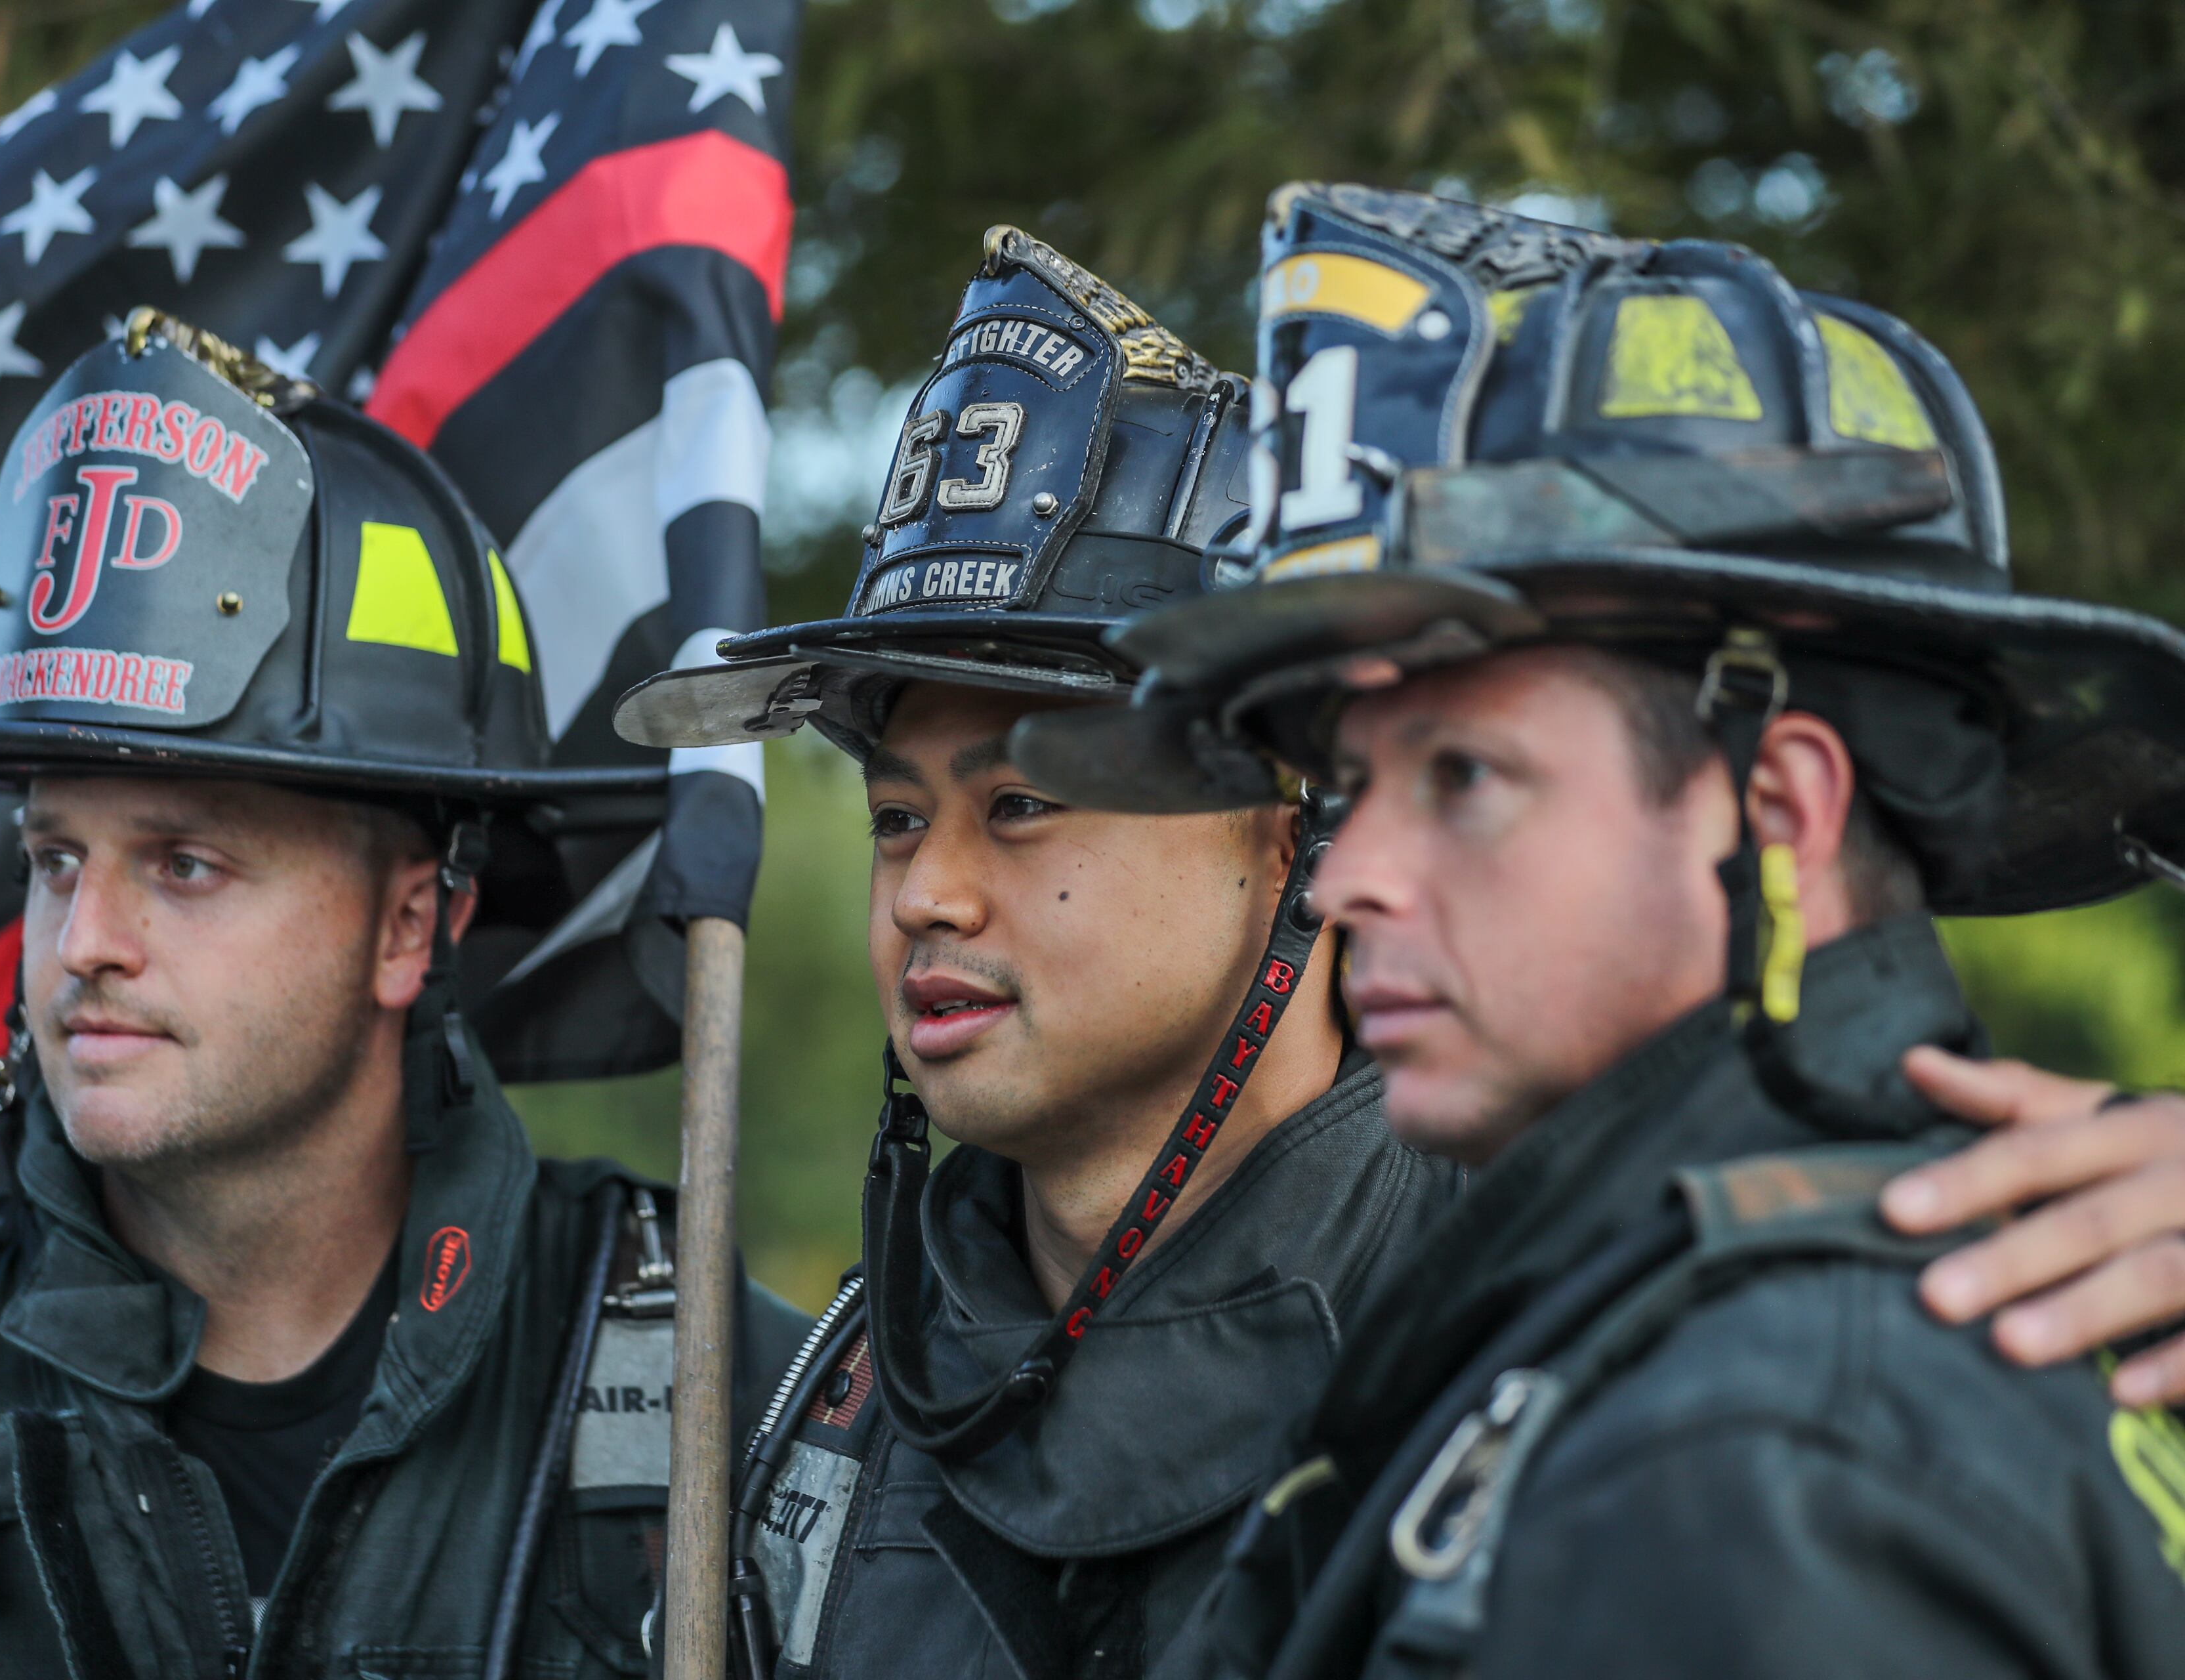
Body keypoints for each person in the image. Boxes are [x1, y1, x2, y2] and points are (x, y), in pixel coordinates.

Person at [621, 227, 2185, 1680]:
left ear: (1778, 808)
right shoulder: (1578, 1333)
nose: (1355, 870)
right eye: (1360, 780)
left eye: (1463, 778)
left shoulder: (1756, 1431)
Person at [0, 313, 804, 1679]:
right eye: (54, 857)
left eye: (187, 863)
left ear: (407, 924)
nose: (86, 938)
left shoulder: (711, 1397)